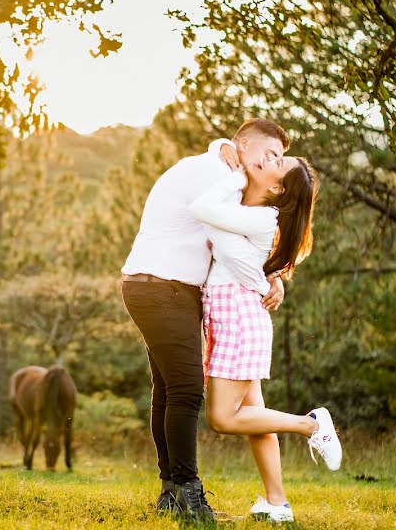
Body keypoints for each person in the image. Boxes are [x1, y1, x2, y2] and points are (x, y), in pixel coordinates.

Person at [121, 119, 290, 521]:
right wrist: (271, 275)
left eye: (280, 160)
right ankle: (189, 493)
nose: (273, 165)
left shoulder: (221, 172)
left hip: (162, 286)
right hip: (162, 286)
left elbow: (235, 245)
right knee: (186, 388)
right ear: (243, 145)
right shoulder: (214, 175)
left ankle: (171, 491)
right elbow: (233, 241)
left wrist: (275, 276)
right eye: (269, 156)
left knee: (167, 388)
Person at [187, 147, 342, 523]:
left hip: (237, 318)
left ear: (277, 190)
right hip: (236, 315)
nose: (267, 160)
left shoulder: (259, 217)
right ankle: (277, 504)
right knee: (256, 417)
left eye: (277, 164)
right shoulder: (254, 213)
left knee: (223, 418)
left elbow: (203, 211)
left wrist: (239, 174)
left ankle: (311, 425)